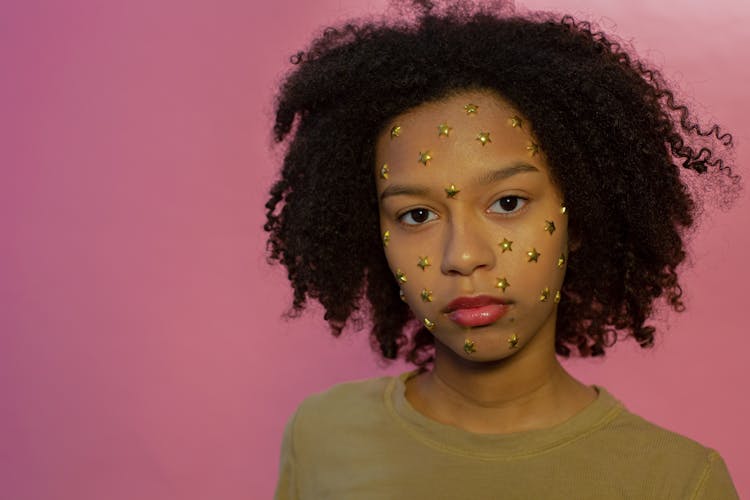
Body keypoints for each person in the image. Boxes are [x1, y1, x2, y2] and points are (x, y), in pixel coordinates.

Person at [264, 1, 740, 498]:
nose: (464, 257)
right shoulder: (321, 438)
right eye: (417, 215)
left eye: (508, 203)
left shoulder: (679, 482)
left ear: (578, 213)